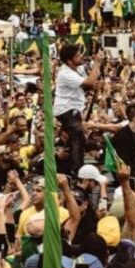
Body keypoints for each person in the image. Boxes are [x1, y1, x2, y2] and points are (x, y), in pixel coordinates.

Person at [54, 44, 103, 174]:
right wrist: (97, 63)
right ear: (69, 61)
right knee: (78, 137)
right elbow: (89, 82)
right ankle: (78, 170)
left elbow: (87, 86)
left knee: (71, 140)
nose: (81, 56)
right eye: (77, 55)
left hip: (75, 109)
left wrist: (94, 85)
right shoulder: (65, 73)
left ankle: (64, 165)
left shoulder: (79, 69)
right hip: (66, 109)